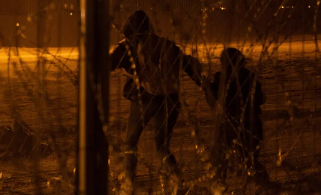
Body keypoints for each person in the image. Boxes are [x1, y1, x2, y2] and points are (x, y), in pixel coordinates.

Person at [110, 10, 202, 194]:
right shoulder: (166, 44)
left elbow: (109, 63)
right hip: (171, 99)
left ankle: (128, 184)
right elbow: (187, 64)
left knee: (130, 143)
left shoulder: (128, 47)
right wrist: (205, 86)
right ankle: (178, 180)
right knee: (161, 145)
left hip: (146, 99)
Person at [202, 47, 267, 189]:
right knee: (251, 161)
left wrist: (207, 87)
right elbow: (261, 99)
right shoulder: (250, 76)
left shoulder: (221, 78)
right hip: (252, 124)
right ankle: (265, 186)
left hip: (230, 125)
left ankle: (219, 187)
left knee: (220, 159)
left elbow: (213, 103)